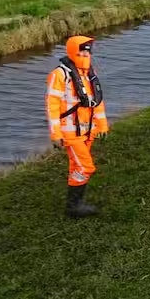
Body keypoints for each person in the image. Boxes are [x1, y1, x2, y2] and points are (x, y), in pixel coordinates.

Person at [46, 35, 109, 218]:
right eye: (81, 52)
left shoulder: (89, 73)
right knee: (85, 167)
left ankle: (74, 205)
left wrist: (102, 125)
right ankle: (74, 206)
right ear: (72, 52)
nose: (84, 55)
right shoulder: (60, 75)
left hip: (88, 130)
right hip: (70, 133)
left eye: (87, 52)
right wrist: (55, 134)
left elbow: (97, 102)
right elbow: (52, 106)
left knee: (77, 167)